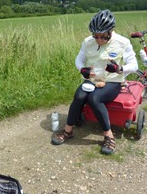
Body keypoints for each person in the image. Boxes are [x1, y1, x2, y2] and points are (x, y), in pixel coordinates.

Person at [51, 9, 138, 154]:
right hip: (92, 79)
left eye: (102, 37)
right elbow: (79, 59)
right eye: (95, 36)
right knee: (79, 96)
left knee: (94, 98)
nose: (98, 40)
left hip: (113, 81)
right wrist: (82, 70)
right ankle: (68, 131)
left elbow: (134, 66)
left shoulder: (123, 42)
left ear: (110, 31)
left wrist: (119, 69)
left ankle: (108, 136)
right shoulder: (88, 42)